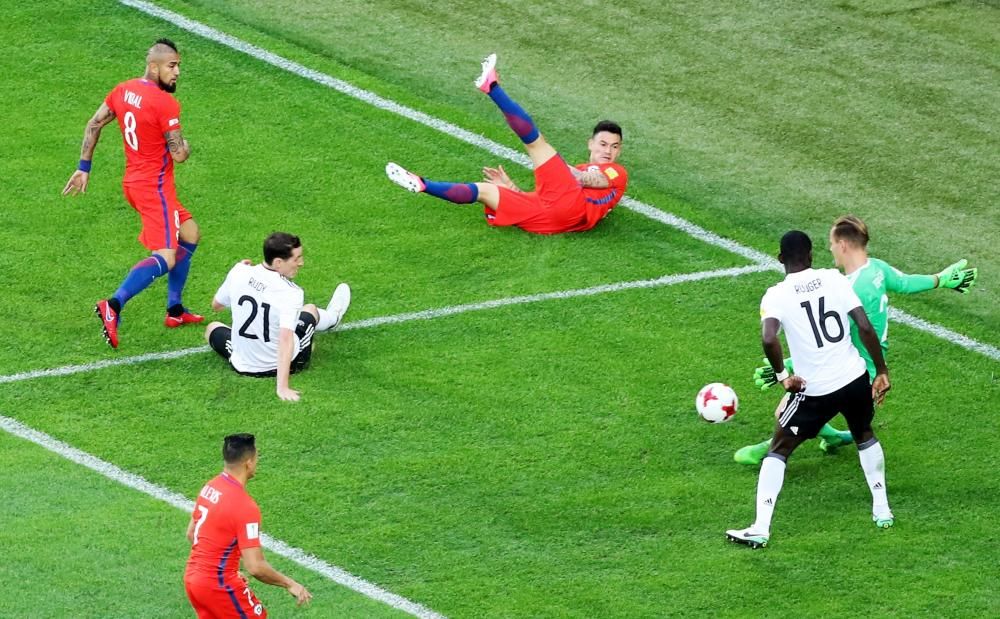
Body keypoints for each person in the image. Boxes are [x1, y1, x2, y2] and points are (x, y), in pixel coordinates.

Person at [734, 215, 978, 465]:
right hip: (872, 365)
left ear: (842, 245)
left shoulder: (848, 286)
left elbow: (830, 339)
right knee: (819, 409)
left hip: (853, 372)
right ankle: (835, 437)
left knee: (789, 410)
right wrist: (942, 279)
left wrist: (787, 366)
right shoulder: (877, 269)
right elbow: (905, 282)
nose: (829, 250)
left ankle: (771, 451)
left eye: (831, 243)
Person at [726, 230, 893, 549]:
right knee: (864, 434)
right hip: (854, 377)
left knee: (778, 449)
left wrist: (781, 376)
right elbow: (865, 326)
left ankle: (760, 528)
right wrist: (881, 370)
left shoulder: (776, 295)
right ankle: (882, 509)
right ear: (812, 256)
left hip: (815, 390)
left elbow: (768, 337)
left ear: (780, 258)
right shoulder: (834, 279)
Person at [386, 53, 628, 234]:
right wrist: (512, 188)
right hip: (554, 224)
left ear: (619, 151)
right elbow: (548, 200)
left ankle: (491, 87)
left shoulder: (617, 173)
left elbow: (587, 180)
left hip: (572, 211)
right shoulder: (577, 173)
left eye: (614, 146)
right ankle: (422, 184)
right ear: (590, 144)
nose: (608, 151)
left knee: (537, 144)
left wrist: (552, 163)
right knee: (485, 191)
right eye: (603, 144)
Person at [63, 38, 202, 349]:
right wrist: (187, 146)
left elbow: (95, 123)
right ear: (154, 66)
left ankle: (175, 309)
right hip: (155, 190)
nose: (177, 72)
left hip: (135, 183)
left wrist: (83, 166)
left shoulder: (123, 90)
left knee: (190, 233)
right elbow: (179, 154)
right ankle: (113, 305)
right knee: (165, 257)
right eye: (172, 65)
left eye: (178, 65)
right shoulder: (166, 103)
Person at [206, 232, 351, 402]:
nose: (301, 263)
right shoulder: (290, 293)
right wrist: (282, 387)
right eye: (296, 259)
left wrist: (239, 281)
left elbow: (216, 305)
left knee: (212, 328)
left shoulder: (239, 271)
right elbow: (285, 339)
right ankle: (333, 318)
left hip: (241, 364)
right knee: (310, 310)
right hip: (278, 365)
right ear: (278, 262)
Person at [184, 433, 312, 617]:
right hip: (217, 585)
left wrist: (230, 568)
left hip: (193, 580)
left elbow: (192, 534)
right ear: (249, 462)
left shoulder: (210, 487)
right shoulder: (244, 506)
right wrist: (290, 583)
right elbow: (255, 566)